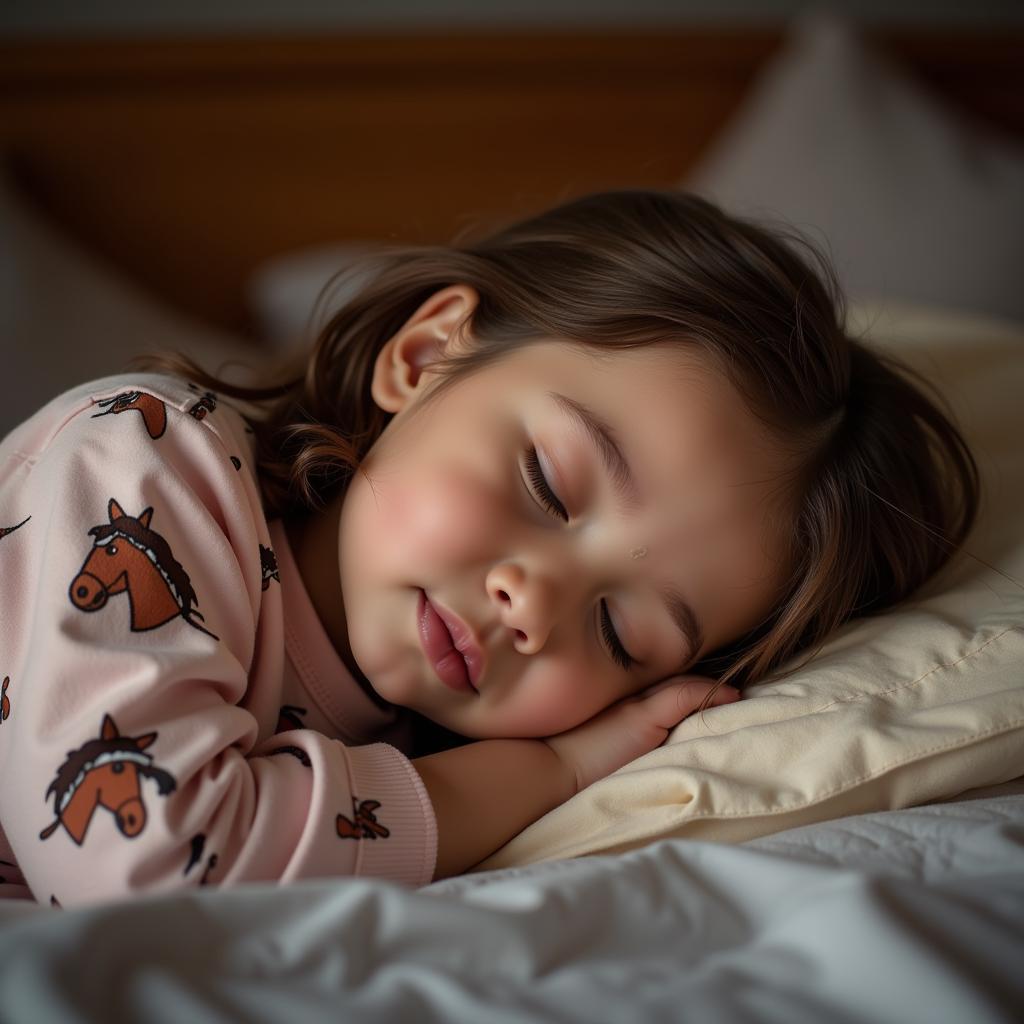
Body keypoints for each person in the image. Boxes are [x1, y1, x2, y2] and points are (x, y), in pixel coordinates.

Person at [0, 190, 978, 906]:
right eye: (549, 484)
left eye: (620, 631)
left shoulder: (409, 751)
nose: (533, 603)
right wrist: (554, 771)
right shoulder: (148, 458)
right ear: (424, 356)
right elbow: (148, 864)